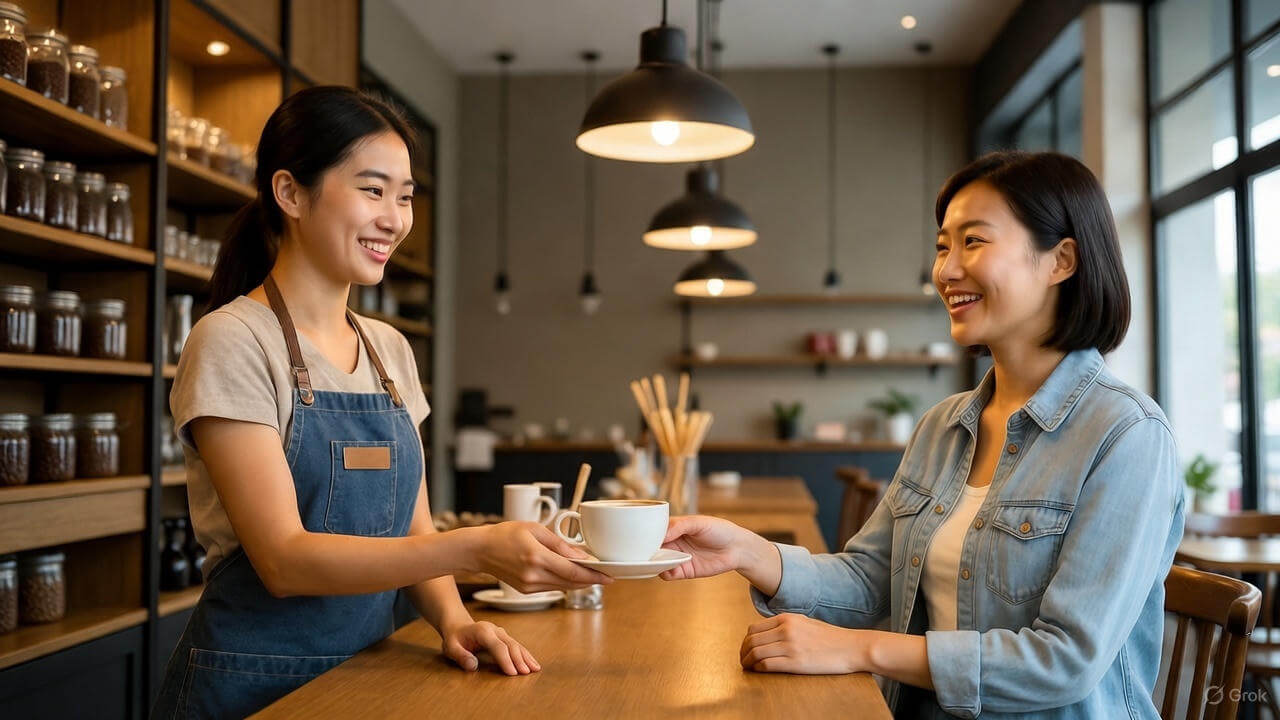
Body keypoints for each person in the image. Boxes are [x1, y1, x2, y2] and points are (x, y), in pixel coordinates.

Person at [661, 151, 1184, 719]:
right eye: (942, 247)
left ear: (1061, 260)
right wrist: (746, 549)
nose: (946, 271)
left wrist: (858, 649)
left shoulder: (1127, 436)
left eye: (973, 242)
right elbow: (873, 582)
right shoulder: (944, 426)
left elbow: (1065, 660)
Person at [151, 87, 609, 720]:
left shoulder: (388, 349)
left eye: (405, 196)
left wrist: (453, 619)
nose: (395, 219)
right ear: (290, 193)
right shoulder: (232, 340)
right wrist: (475, 548)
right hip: (250, 686)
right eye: (373, 190)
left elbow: (414, 531)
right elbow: (283, 560)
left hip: (366, 676)